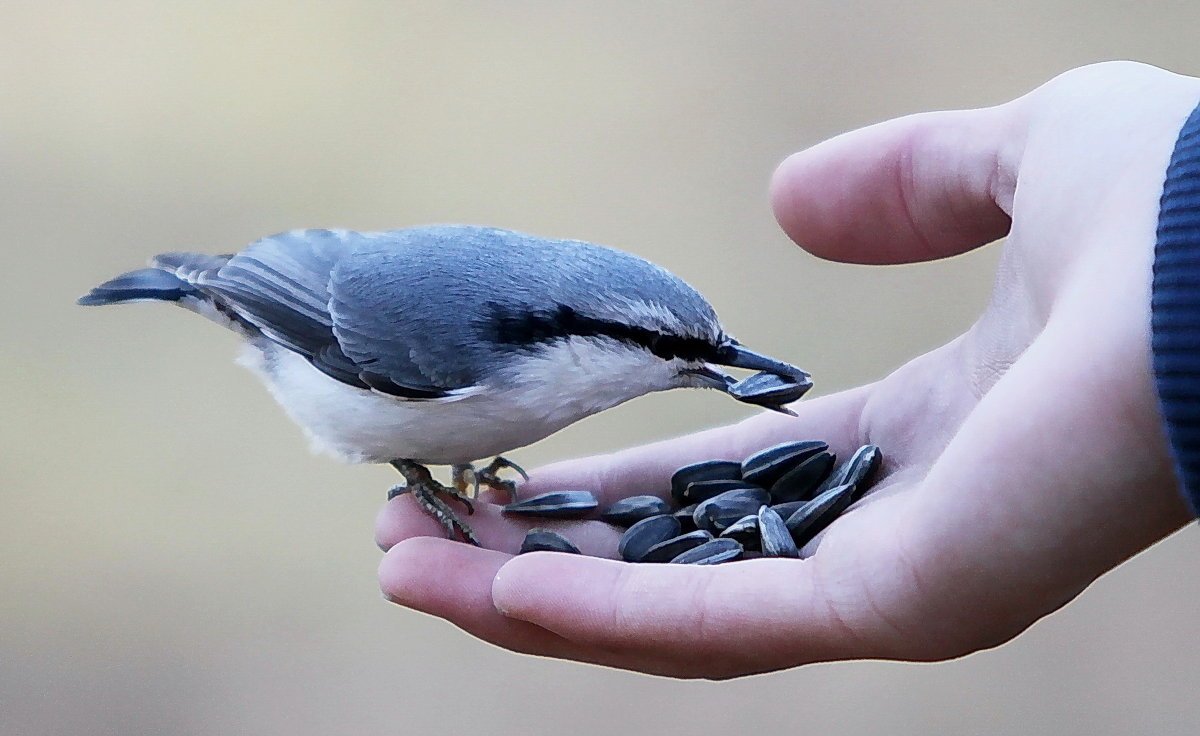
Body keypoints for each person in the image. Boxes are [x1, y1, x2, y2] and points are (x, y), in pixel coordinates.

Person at [375, 61, 1200, 679]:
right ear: (578, 334)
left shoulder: (535, 352)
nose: (719, 371)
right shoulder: (463, 343)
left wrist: (1162, 268)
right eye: (672, 351)